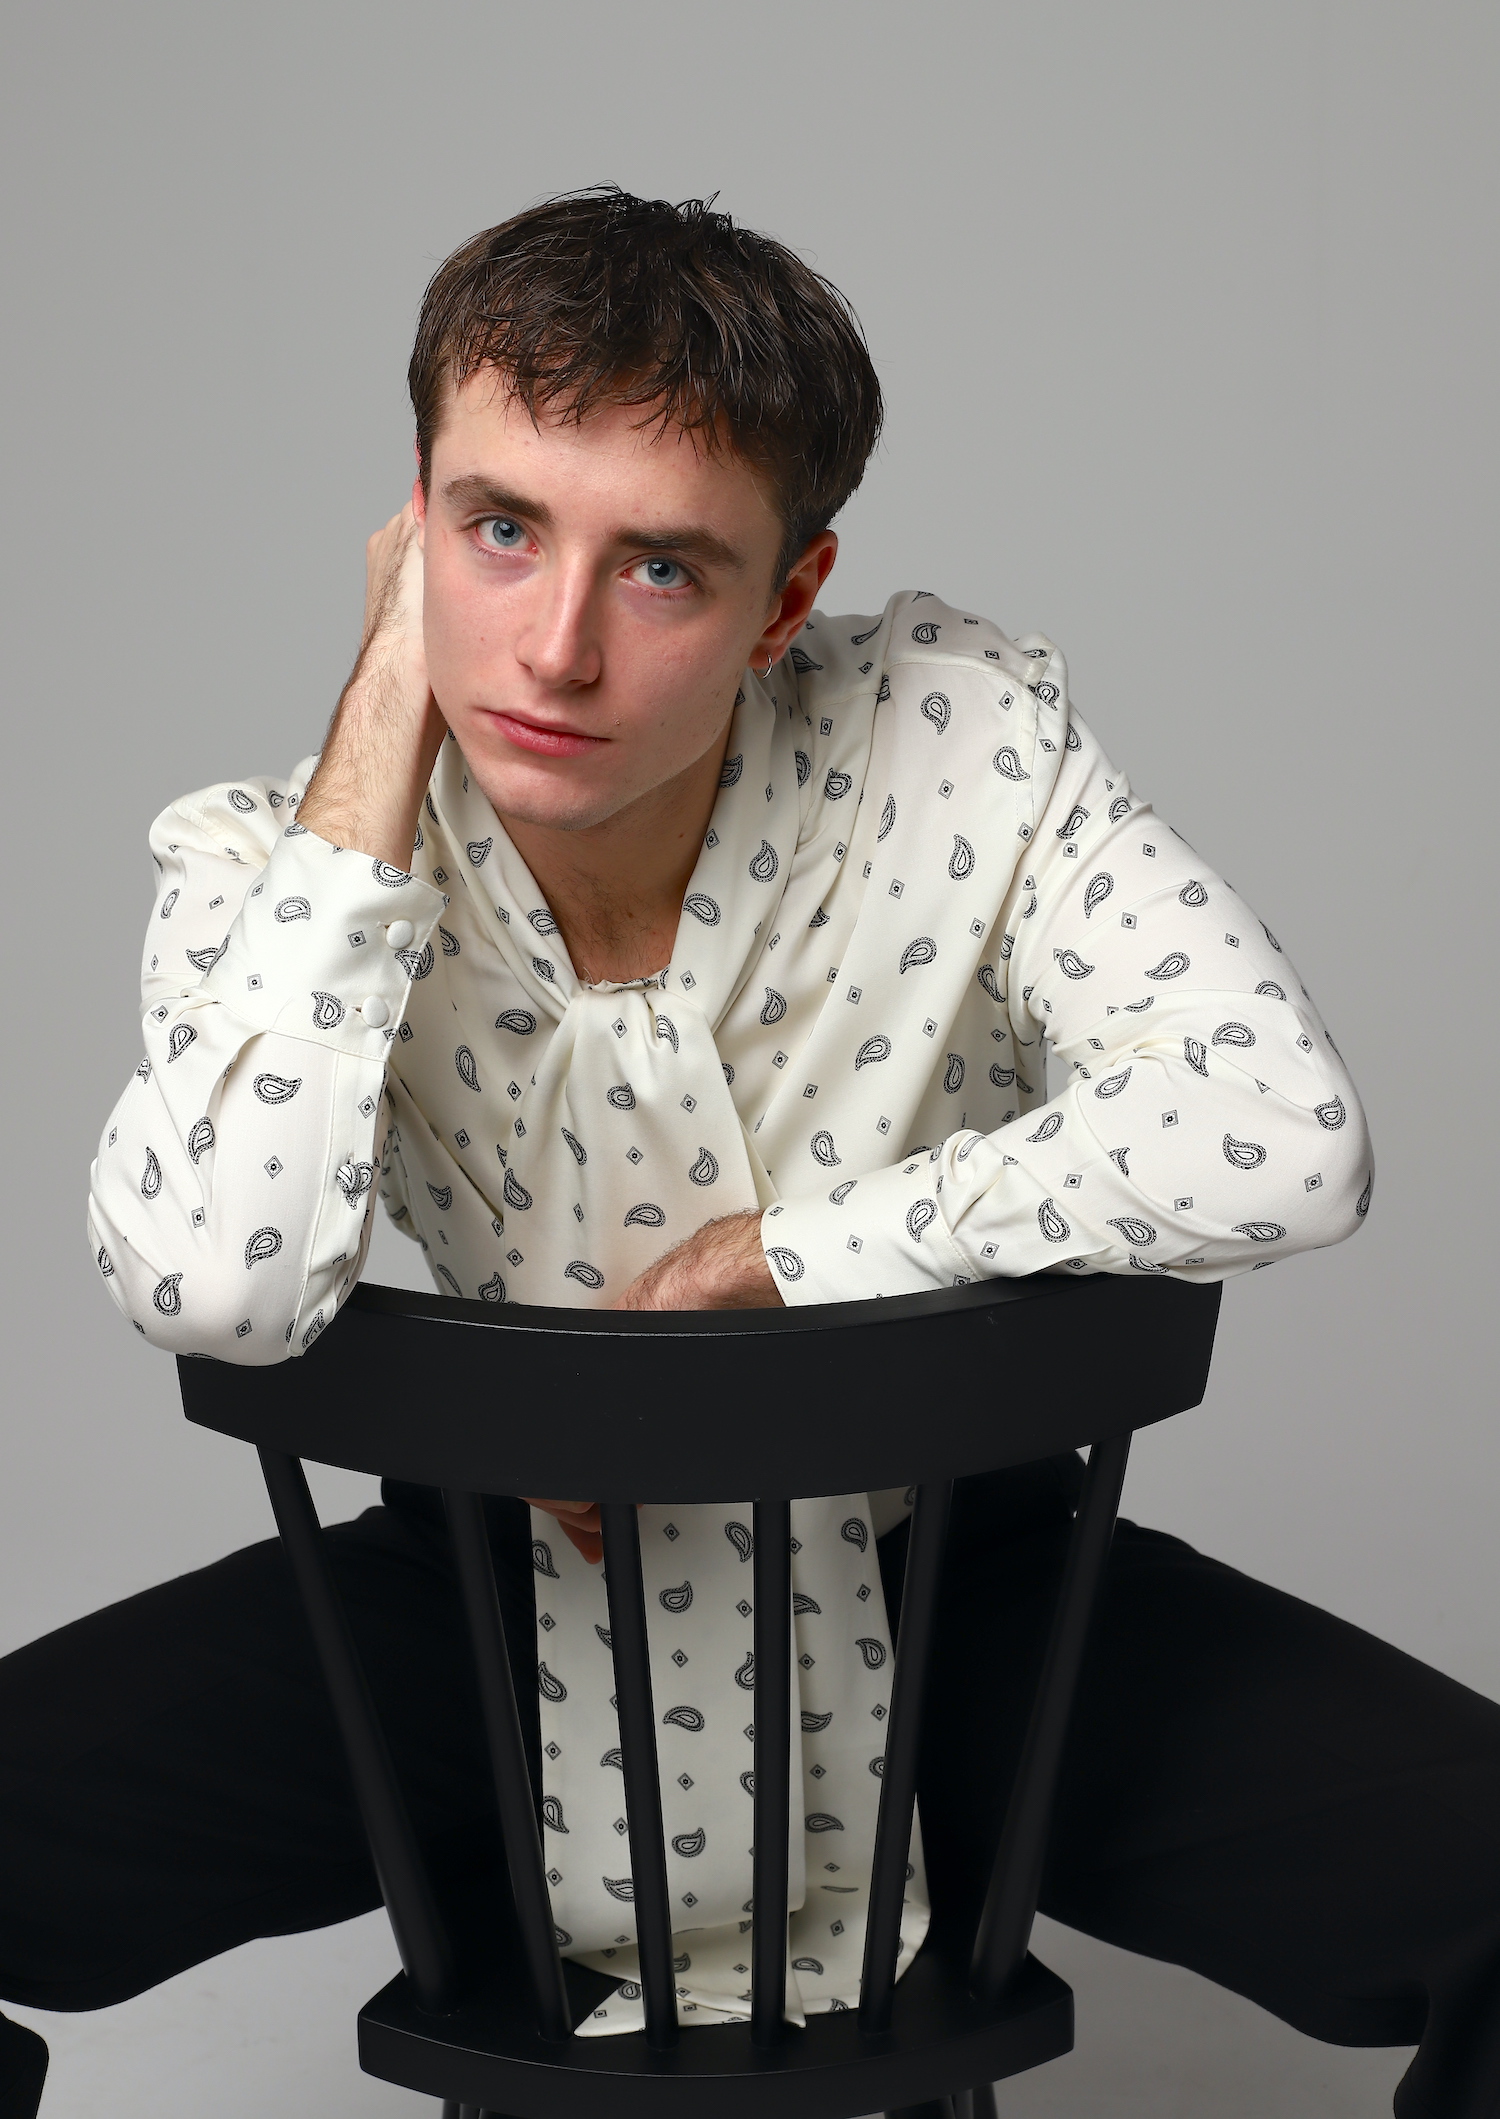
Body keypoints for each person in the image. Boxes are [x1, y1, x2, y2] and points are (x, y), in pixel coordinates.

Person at [1, 186, 1495, 2113]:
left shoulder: (958, 749)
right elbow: (216, 1283)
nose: (552, 650)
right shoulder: (276, 872)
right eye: (497, 530)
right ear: (413, 528)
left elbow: (1283, 1131)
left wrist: (788, 1260)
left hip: (956, 1595)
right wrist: (384, 700)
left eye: (660, 569)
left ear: (785, 599)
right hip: (480, 1623)